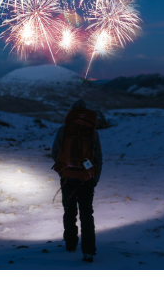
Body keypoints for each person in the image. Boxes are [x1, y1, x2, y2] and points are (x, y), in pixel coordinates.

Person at [51, 99, 103, 263]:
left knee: (69, 211)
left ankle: (71, 244)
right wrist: (94, 178)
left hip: (67, 178)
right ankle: (88, 251)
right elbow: (98, 158)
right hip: (86, 179)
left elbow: (54, 152)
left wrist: (64, 170)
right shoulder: (93, 132)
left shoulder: (64, 130)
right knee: (87, 214)